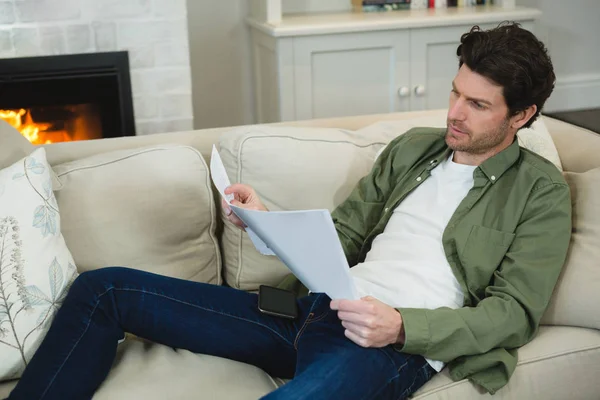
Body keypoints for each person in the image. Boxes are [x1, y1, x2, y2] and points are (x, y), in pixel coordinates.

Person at [7, 22, 571, 400]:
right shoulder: (414, 149)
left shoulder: (540, 191)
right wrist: (266, 223)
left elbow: (514, 313)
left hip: (393, 343)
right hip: (310, 309)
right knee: (104, 289)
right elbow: (345, 234)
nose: (454, 114)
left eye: (476, 105)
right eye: (455, 93)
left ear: (520, 116)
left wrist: (402, 326)